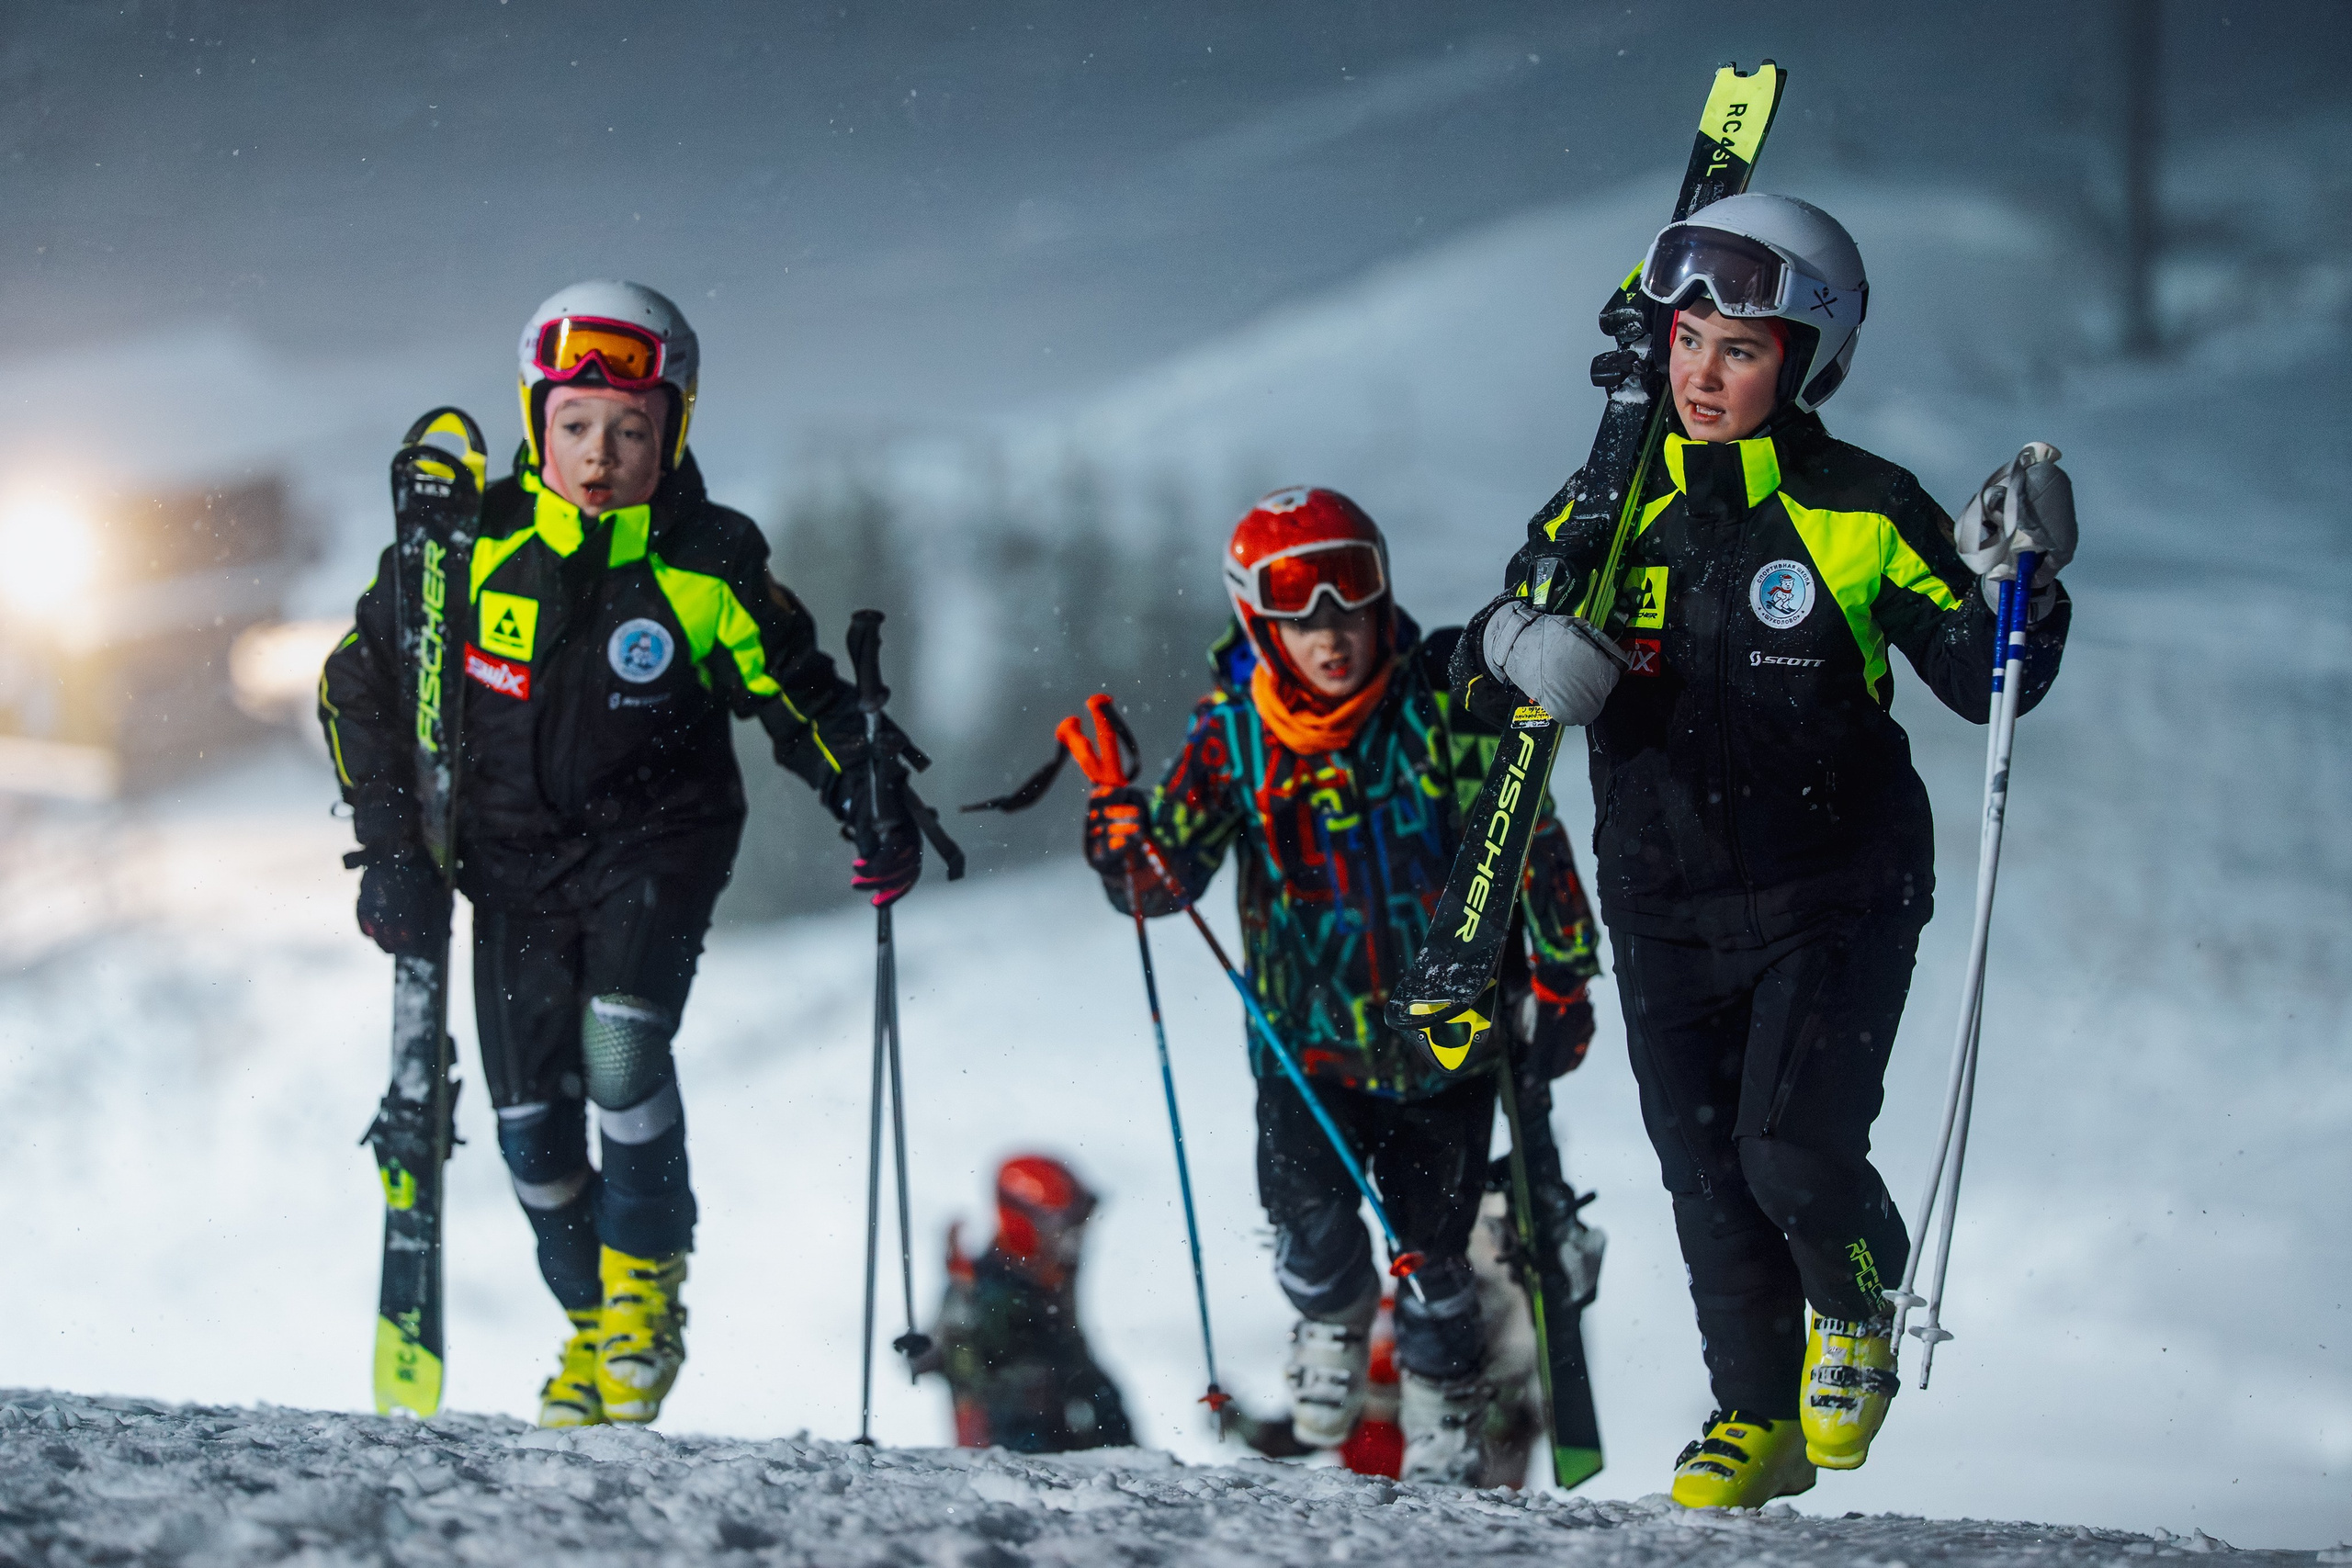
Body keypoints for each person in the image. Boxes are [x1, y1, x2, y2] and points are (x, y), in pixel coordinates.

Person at [1464, 195, 2076, 1506]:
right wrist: (1518, 646)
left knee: (1791, 1152)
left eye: (1741, 348)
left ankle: (1856, 1301)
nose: (1703, 371)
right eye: (1690, 337)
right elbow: (1485, 647)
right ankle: (1756, 1416)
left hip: (1835, 891)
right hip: (1663, 900)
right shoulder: (1604, 500)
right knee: (1705, 1177)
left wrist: (2024, 576)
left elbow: (1985, 678)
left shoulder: (1862, 506)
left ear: (1807, 361)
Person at [320, 280, 931, 1427]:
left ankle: (648, 1289)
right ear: (536, 421)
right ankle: (596, 1326)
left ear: (675, 432)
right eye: (576, 427)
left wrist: (867, 789)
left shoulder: (711, 560)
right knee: (531, 1137)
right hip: (507, 867)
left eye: (634, 430)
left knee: (618, 1048)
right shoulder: (467, 550)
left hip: (659, 843)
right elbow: (356, 686)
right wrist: (392, 850)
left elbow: (797, 697)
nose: (600, 455)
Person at [1082, 486, 1604, 1484]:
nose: (1330, 630)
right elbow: (1165, 878)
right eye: (1299, 605)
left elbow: (1529, 831)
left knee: (1437, 1259)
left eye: (1350, 597)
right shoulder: (1233, 731)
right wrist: (1118, 838)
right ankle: (1326, 1319)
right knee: (1309, 1223)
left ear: (1381, 592)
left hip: (1444, 1042)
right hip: (1304, 1043)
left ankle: (1446, 1406)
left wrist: (1564, 974)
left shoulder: (1440, 704)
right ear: (1256, 617)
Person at [914, 1155, 1135, 1453]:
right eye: (1058, 1227)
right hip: (1018, 1466)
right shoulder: (990, 1294)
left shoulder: (1043, 1286)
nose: (1070, 1240)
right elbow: (974, 1381)